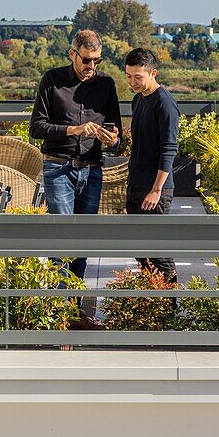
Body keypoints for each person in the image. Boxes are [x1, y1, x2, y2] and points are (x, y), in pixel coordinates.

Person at [29, 30, 122, 286]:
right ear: (73, 54)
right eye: (87, 60)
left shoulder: (107, 85)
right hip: (58, 168)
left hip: (92, 171)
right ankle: (59, 310)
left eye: (97, 61)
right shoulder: (52, 80)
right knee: (62, 239)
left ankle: (74, 308)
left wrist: (112, 140)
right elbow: (36, 128)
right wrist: (74, 130)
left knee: (82, 241)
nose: (91, 66)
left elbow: (117, 137)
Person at [124, 47, 179, 284]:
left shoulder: (164, 103)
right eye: (128, 76)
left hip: (156, 189)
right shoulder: (138, 100)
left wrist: (156, 190)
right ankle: (151, 303)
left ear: (153, 73)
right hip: (136, 184)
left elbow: (169, 148)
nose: (133, 82)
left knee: (158, 250)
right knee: (139, 249)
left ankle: (169, 307)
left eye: (138, 77)